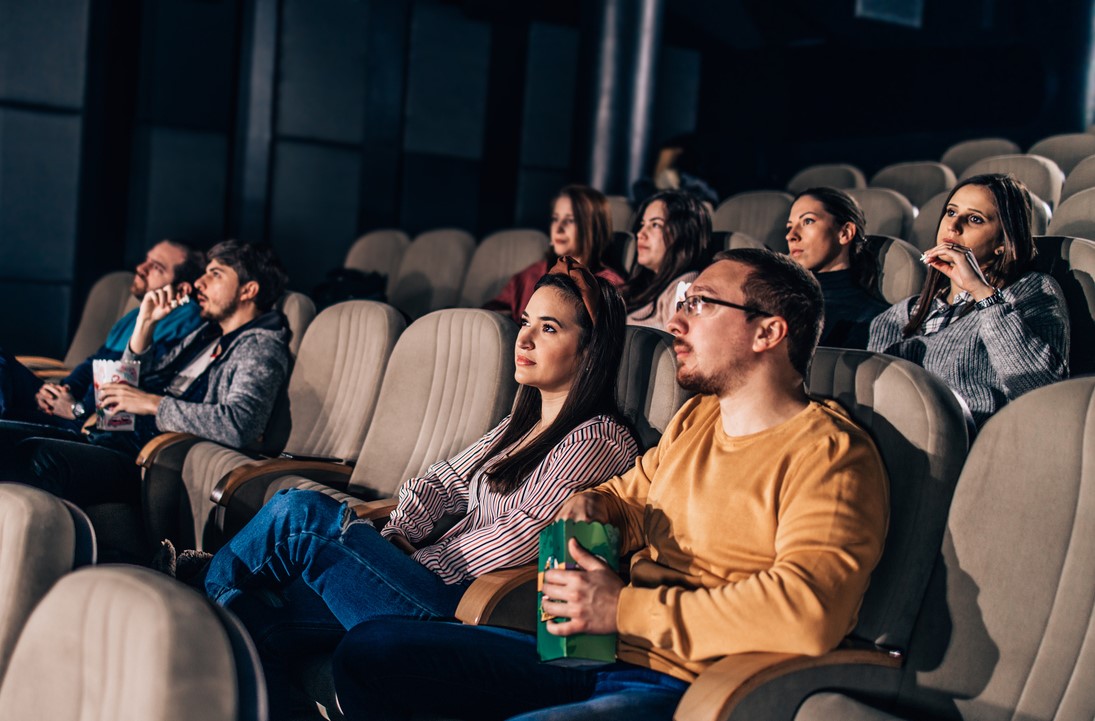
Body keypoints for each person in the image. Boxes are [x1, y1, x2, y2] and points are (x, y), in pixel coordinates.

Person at [331, 248, 890, 721]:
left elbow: (806, 612)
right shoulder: (695, 423)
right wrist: (592, 502)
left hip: (691, 687)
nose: (676, 321)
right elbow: (629, 494)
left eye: (701, 305)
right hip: (595, 654)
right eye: (682, 303)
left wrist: (622, 609)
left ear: (768, 332)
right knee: (371, 650)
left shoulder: (830, 454)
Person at [201, 258, 640, 719]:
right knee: (253, 626)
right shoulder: (521, 423)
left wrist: (415, 558)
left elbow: (524, 534)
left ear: (590, 351)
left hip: (463, 608)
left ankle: (197, 590)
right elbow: (440, 480)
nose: (523, 339)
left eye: (548, 329)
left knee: (302, 515)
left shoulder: (598, 438)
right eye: (525, 321)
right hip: (424, 579)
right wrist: (396, 536)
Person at [9, 240, 292, 507]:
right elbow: (130, 383)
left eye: (215, 275)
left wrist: (150, 403)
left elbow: (239, 424)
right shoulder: (207, 335)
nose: (199, 283)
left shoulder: (261, 347)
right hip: (110, 435)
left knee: (34, 455)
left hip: (147, 462)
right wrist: (145, 323)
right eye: (203, 273)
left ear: (248, 291)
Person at [868, 173, 1069, 426]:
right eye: (951, 212)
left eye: (975, 219)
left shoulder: (1030, 291)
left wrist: (980, 291)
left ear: (1003, 243)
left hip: (977, 447)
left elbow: (1042, 389)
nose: (953, 226)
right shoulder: (896, 317)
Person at [0, 239, 205, 441]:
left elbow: (135, 378)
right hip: (71, 405)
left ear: (182, 290)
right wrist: (60, 392)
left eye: (156, 267)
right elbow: (95, 361)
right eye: (146, 260)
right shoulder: (135, 316)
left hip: (92, 424)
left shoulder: (187, 322)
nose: (141, 268)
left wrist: (76, 409)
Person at [485, 185, 626, 323]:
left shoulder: (609, 284)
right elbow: (492, 313)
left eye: (570, 220)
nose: (558, 229)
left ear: (593, 228)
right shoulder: (531, 274)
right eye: (555, 219)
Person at [785, 187, 888, 349]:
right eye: (789, 226)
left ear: (845, 233)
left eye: (808, 221)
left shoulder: (873, 319)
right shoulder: (777, 302)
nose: (791, 235)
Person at [621, 190, 711, 331]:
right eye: (642, 224)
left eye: (655, 225)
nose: (640, 234)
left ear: (683, 233)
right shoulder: (643, 285)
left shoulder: (684, 287)